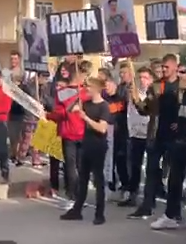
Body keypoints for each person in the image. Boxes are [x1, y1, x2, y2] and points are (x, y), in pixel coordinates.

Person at [128, 54, 181, 219]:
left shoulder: (184, 85)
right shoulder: (156, 87)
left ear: (175, 67)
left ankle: (174, 211)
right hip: (156, 133)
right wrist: (137, 101)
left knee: (175, 175)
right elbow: (146, 110)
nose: (163, 70)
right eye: (162, 67)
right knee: (151, 171)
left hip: (176, 136)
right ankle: (147, 205)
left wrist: (182, 123)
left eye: (166, 67)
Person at [149, 73, 186, 230]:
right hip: (181, 141)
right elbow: (183, 114)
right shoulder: (182, 95)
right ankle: (171, 215)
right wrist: (178, 123)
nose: (183, 79)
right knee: (174, 180)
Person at [60, 77, 112, 225]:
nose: (86, 88)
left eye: (88, 86)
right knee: (82, 179)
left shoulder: (104, 106)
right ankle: (77, 210)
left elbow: (102, 129)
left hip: (98, 146)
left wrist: (86, 118)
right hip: (86, 144)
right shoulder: (86, 103)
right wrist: (76, 96)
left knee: (98, 179)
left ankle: (99, 213)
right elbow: (69, 109)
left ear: (96, 88)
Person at [46, 64, 88, 210]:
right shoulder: (85, 91)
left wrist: (48, 116)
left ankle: (74, 196)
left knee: (72, 167)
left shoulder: (69, 92)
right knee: (78, 166)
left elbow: (60, 113)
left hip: (72, 132)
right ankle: (78, 196)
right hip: (79, 132)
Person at [119, 66, 152, 207]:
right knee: (134, 166)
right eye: (140, 78)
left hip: (149, 133)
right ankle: (133, 194)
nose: (142, 80)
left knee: (151, 168)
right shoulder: (133, 92)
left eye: (145, 77)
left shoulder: (153, 94)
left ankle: (150, 198)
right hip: (135, 133)